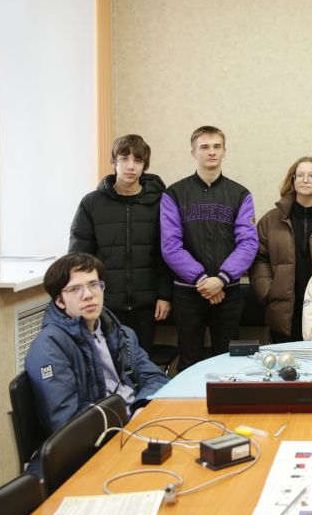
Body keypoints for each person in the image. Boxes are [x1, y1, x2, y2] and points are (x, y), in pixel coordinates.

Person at [24, 252, 169, 475]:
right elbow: (65, 423)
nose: (88, 295)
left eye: (94, 285)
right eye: (75, 289)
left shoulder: (119, 331)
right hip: (93, 448)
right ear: (59, 301)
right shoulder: (49, 348)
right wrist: (125, 421)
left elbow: (156, 378)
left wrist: (140, 407)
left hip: (135, 426)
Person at [160, 126, 258, 373]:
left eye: (216, 146)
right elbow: (171, 246)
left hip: (228, 294)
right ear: (194, 153)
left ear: (224, 151)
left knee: (228, 364)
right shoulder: (174, 194)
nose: (211, 152)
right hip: (188, 294)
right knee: (189, 362)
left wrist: (221, 279)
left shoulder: (240, 194)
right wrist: (203, 280)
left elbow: (248, 243)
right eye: (204, 147)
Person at [69, 134, 172, 359]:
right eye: (124, 159)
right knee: (106, 365)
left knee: (140, 363)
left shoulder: (159, 203)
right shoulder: (92, 203)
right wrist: (84, 295)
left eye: (138, 160)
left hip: (146, 304)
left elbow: (164, 253)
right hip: (104, 303)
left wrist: (165, 295)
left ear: (145, 165)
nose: (130, 166)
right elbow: (79, 256)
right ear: (114, 162)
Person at [251, 157, 312, 343]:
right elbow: (259, 259)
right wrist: (269, 293)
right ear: (293, 180)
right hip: (285, 310)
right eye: (300, 175)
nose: (305, 180)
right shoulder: (270, 220)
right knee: (285, 360)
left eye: (311, 175)